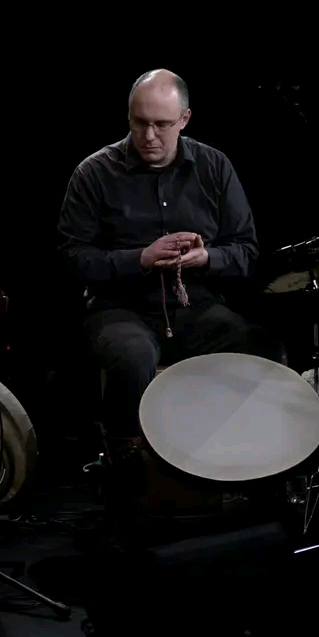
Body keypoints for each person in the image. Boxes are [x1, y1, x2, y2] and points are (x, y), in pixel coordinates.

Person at [57, 69, 285, 445]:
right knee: (133, 359)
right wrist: (140, 259)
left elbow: (246, 251)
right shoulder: (93, 173)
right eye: (139, 123)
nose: (148, 136)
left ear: (185, 119)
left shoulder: (214, 167)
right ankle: (125, 457)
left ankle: (247, 456)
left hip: (196, 307)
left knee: (265, 350)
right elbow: (72, 259)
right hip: (120, 309)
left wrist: (207, 258)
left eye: (161, 125)